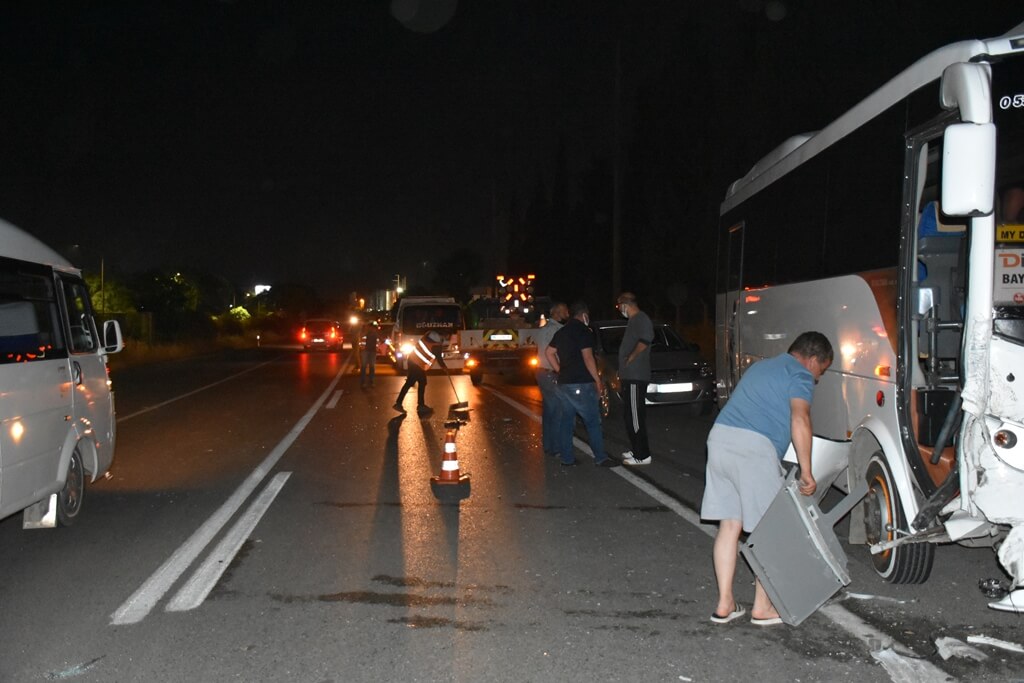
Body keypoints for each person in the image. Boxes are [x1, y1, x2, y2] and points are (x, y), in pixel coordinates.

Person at [700, 331, 832, 626]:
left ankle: (724, 604)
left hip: (719, 440)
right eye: (820, 371)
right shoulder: (800, 375)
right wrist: (807, 472)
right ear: (812, 360)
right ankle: (762, 607)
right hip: (753, 449)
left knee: (729, 525)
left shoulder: (760, 366)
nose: (817, 379)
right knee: (769, 530)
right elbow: (800, 418)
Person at [544, 301, 619, 468]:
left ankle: (567, 458)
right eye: (588, 316)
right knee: (592, 421)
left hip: (564, 384)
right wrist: (598, 381)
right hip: (581, 384)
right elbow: (588, 358)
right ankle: (600, 457)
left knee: (566, 421)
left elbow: (549, 352)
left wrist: (560, 370)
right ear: (584, 315)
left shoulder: (562, 332)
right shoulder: (584, 332)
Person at [615, 292, 654, 466]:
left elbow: (646, 339)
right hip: (629, 375)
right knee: (629, 415)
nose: (619, 309)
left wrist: (630, 358)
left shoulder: (641, 318)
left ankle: (642, 454)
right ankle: (636, 449)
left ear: (625, 304)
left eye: (619, 306)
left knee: (635, 416)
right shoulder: (633, 321)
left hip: (635, 376)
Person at [533, 301, 569, 457]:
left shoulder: (542, 330)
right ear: (557, 313)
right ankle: (556, 447)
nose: (567, 313)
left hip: (541, 372)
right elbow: (555, 353)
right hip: (552, 372)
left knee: (548, 410)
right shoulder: (559, 330)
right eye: (564, 310)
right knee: (557, 411)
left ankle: (548, 445)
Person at [394, 329, 445, 414]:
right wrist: (444, 367)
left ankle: (400, 403)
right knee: (420, 382)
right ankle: (419, 405)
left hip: (411, 360)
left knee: (412, 382)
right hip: (417, 365)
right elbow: (439, 359)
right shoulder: (437, 346)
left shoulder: (427, 336)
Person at [360, 321, 380, 388]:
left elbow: (377, 342)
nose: (372, 328)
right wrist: (363, 348)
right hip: (366, 351)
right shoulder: (366, 334)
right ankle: (364, 382)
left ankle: (370, 381)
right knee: (364, 366)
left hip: (372, 351)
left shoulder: (375, 334)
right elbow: (362, 342)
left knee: (371, 367)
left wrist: (377, 348)